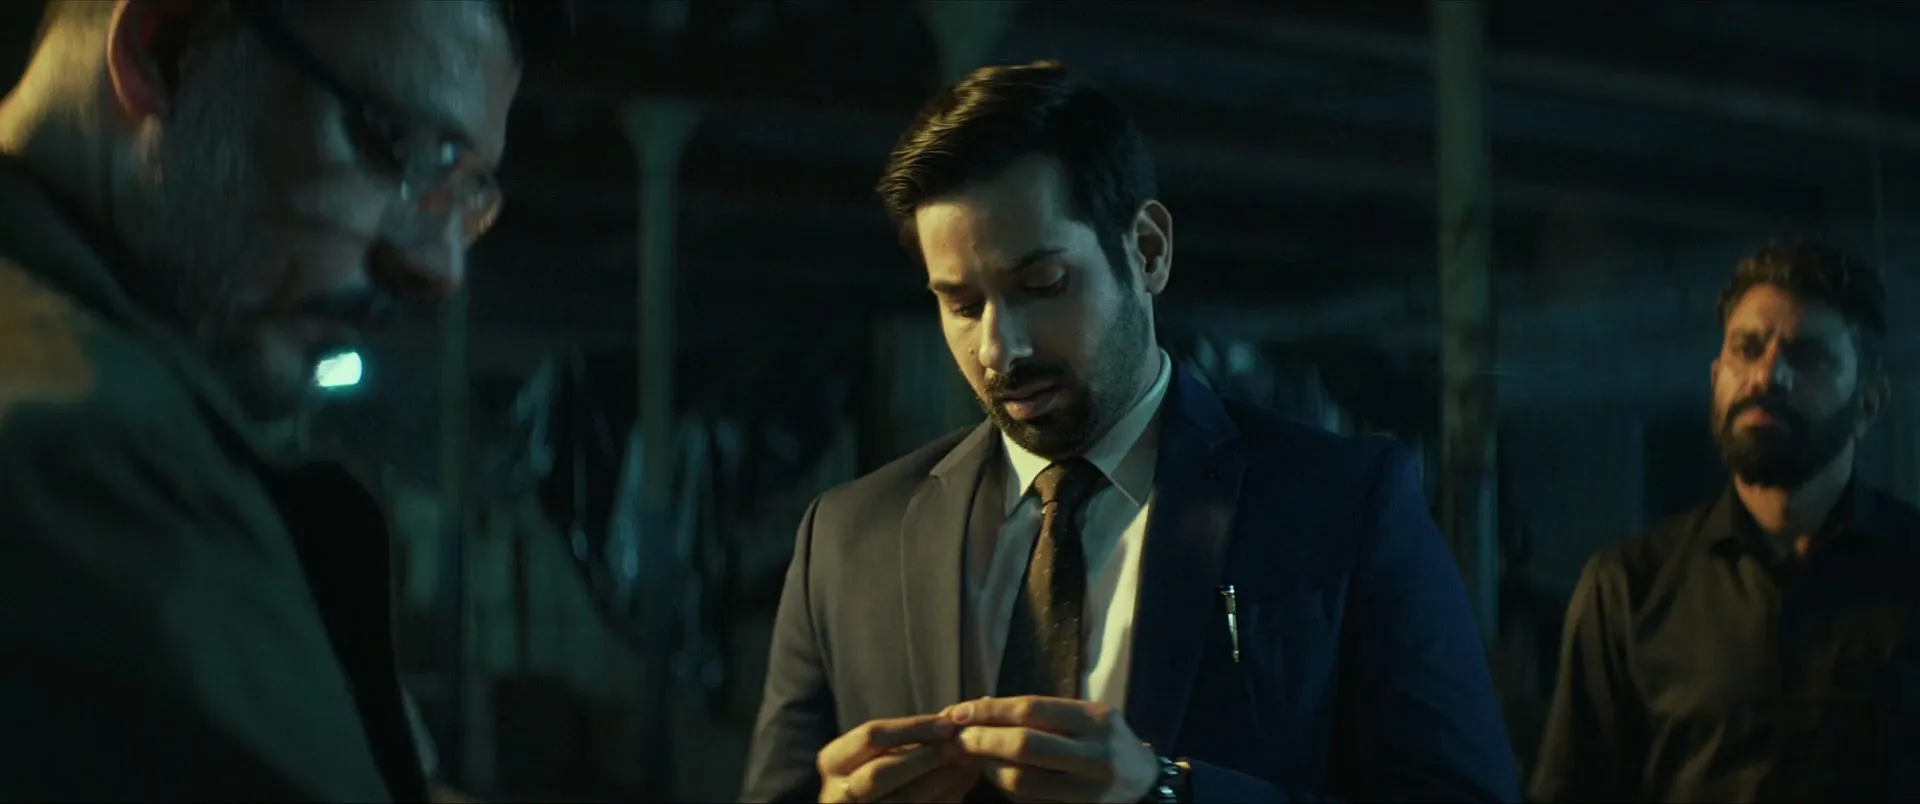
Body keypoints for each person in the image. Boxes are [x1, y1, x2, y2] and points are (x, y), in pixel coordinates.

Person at [741, 60, 1518, 804]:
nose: (999, 349)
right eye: (962, 305)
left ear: (1147, 250)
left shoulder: (1341, 504)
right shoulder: (847, 539)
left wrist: (1168, 792)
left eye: (1041, 284)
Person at [0, 0, 519, 799]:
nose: (439, 270)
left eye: (466, 193)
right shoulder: (92, 452)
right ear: (170, 53)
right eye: (402, 150)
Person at [1531, 241, 1920, 802]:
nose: (1767, 376)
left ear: (1868, 404)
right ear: (1717, 377)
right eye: (1747, 349)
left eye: (1806, 356)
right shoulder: (1629, 589)